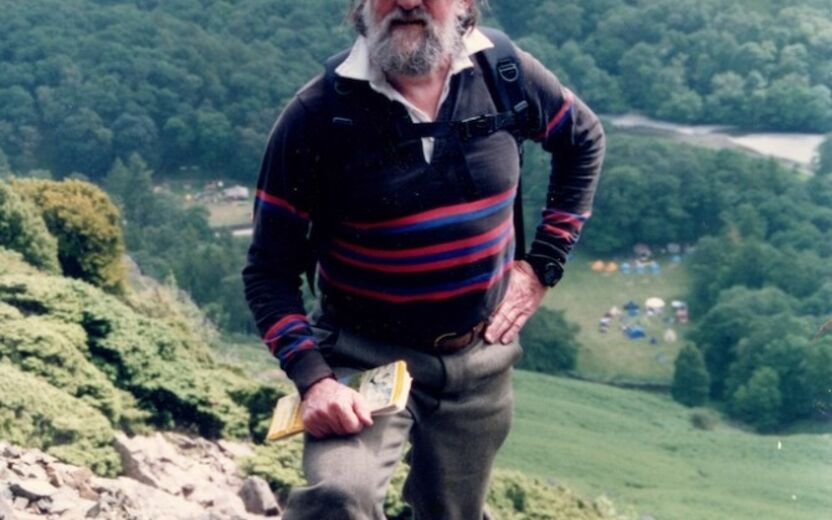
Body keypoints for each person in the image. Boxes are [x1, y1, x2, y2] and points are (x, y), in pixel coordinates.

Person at [242, 0, 605, 518]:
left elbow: (583, 139)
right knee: (338, 498)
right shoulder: (319, 114)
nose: (408, 2)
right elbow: (267, 271)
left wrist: (542, 264)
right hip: (362, 358)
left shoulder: (503, 72)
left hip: (479, 362)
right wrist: (315, 381)